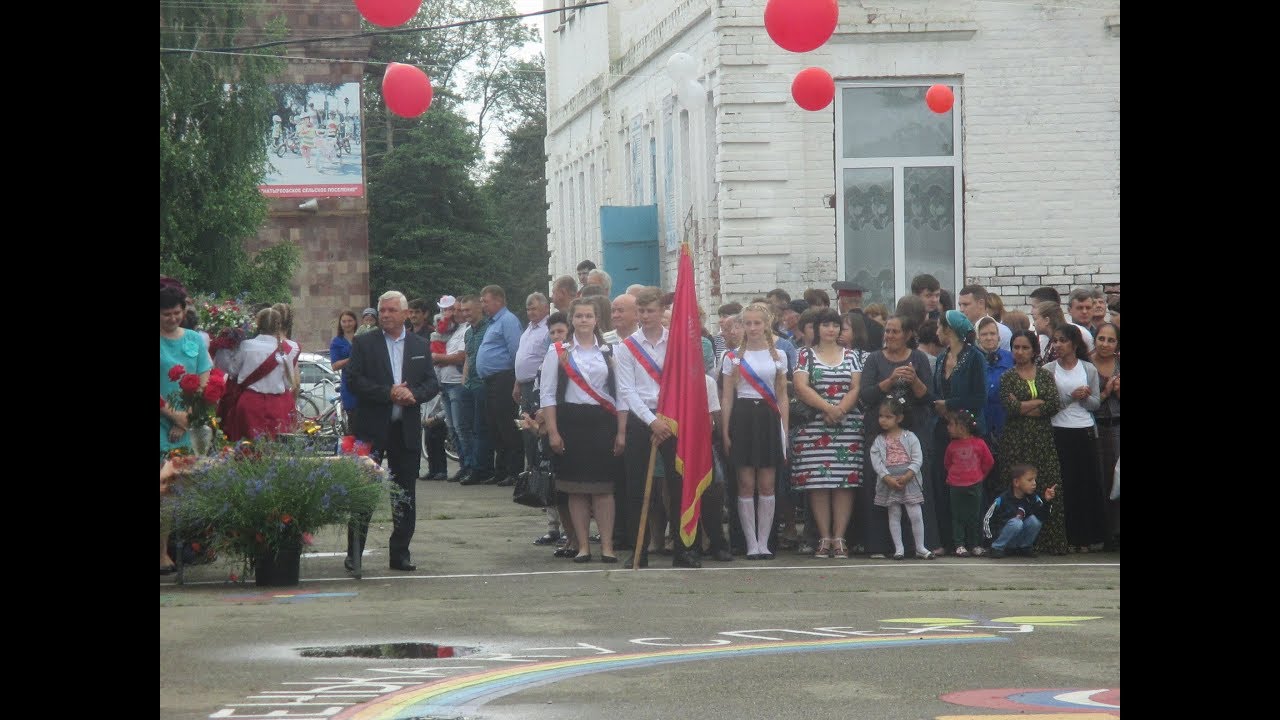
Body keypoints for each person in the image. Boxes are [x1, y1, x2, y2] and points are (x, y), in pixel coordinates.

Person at [345, 290, 440, 573]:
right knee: (364, 493)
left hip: (405, 429)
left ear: (405, 313)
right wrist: (388, 393)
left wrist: (413, 395)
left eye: (390, 310)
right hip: (371, 428)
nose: (384, 315)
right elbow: (353, 380)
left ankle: (400, 552)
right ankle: (354, 553)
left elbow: (431, 383)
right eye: (382, 310)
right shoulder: (364, 343)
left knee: (404, 493)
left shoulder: (420, 344)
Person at [540, 298, 624, 563]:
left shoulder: (611, 351)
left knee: (603, 489)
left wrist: (621, 431)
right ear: (572, 320)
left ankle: (607, 546)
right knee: (575, 489)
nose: (584, 320)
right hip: (571, 423)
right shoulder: (559, 352)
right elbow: (548, 395)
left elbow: (622, 394)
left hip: (603, 422)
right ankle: (583, 546)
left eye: (589, 316)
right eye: (579, 316)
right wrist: (553, 431)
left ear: (597, 320)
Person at [857, 315, 937, 558]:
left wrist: (914, 381)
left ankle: (918, 545)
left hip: (912, 433)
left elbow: (928, 398)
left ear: (907, 334)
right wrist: (890, 381)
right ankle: (880, 545)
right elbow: (866, 396)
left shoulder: (919, 358)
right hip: (880, 433)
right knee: (880, 486)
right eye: (887, 331)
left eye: (894, 331)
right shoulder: (874, 359)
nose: (889, 336)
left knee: (914, 489)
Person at [791, 308, 864, 559]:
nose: (831, 330)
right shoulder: (803, 355)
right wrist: (827, 408)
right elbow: (801, 387)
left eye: (836, 325)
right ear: (817, 328)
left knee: (844, 483)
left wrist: (840, 409)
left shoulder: (853, 355)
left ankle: (840, 537)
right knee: (818, 484)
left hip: (847, 425)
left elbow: (857, 386)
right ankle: (824, 537)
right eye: (826, 325)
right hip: (815, 427)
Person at [721, 302, 789, 560]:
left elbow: (782, 396)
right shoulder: (732, 357)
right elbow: (727, 397)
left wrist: (784, 429)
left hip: (769, 418)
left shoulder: (779, 356)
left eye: (757, 323)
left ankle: (765, 542)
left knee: (767, 484)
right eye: (747, 323)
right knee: (746, 483)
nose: (752, 328)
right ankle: (751, 543)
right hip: (743, 418)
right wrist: (726, 430)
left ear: (766, 324)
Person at [997, 331, 1067, 555]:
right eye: (1015, 347)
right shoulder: (1007, 376)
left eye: (1024, 347)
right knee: (1017, 488)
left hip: (1042, 439)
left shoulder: (1045, 375)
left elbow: (1053, 404)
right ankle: (1013, 542)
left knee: (1046, 485)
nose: (1019, 352)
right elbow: (1012, 408)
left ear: (1034, 350)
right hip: (1016, 440)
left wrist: (1025, 405)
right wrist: (1037, 403)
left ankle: (1048, 541)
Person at [160, 284, 212, 574]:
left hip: (190, 424)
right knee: (163, 489)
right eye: (166, 314)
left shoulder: (193, 338)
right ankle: (161, 552)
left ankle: (187, 548)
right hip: (163, 421)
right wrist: (173, 416)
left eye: (176, 313)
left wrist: (188, 419)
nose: (172, 318)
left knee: (183, 488)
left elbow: (205, 382)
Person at [928, 310, 988, 555]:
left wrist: (950, 405)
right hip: (943, 428)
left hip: (968, 430)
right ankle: (951, 540)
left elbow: (979, 396)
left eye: (939, 327)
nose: (936, 332)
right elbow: (936, 391)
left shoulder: (975, 357)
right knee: (945, 483)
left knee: (970, 486)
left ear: (949, 330)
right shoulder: (942, 358)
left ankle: (974, 540)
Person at [1043, 324, 1105, 553]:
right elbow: (1050, 404)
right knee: (1065, 484)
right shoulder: (1049, 370)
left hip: (1084, 429)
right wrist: (1071, 396)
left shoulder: (1088, 369)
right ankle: (1066, 536)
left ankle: (1087, 537)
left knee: (1086, 484)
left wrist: (1085, 397)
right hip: (1059, 430)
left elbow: (1096, 403)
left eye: (1062, 341)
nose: (1058, 345)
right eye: (1055, 341)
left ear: (1074, 344)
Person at [870, 399, 934, 560]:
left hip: (909, 480)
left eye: (888, 416)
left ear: (899, 418)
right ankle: (899, 549)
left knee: (915, 514)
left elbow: (918, 458)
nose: (883, 420)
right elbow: (876, 461)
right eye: (881, 416)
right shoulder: (879, 440)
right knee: (894, 514)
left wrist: (908, 474)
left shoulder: (910, 436)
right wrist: (886, 477)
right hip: (889, 482)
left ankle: (920, 547)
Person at [227, 307, 300, 442]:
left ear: (258, 323)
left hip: (250, 404)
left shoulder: (246, 345)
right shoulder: (285, 350)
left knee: (247, 449)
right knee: (276, 450)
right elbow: (288, 383)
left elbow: (232, 371)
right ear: (279, 325)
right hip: (277, 405)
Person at [477, 285, 525, 487]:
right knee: (494, 426)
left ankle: (514, 471)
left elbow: (516, 351)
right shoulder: (492, 322)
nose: (482, 305)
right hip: (491, 381)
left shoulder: (508, 321)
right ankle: (501, 470)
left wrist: (517, 380)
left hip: (504, 379)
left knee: (507, 426)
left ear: (498, 300)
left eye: (485, 301)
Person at [943, 409, 995, 557]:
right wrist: (956, 476)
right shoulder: (952, 446)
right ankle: (959, 545)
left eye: (951, 424)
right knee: (957, 516)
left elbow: (989, 462)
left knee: (974, 516)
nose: (948, 427)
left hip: (975, 485)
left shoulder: (979, 443)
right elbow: (947, 464)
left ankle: (975, 544)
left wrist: (979, 476)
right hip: (956, 486)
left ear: (962, 427)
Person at [458, 295, 495, 485]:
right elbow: (468, 357)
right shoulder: (468, 332)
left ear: (479, 309)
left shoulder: (489, 328)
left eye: (468, 310)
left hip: (483, 384)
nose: (465, 314)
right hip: (469, 384)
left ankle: (482, 469)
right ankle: (472, 465)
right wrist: (464, 380)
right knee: (468, 428)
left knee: (481, 428)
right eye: (463, 311)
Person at [409, 299, 448, 481]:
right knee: (415, 432)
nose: (413, 315)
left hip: (431, 383)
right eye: (411, 312)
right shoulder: (407, 335)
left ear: (425, 314)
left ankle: (439, 468)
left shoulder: (433, 333)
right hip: (412, 385)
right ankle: (415, 469)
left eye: (417, 312)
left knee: (435, 429)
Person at [982, 464, 1057, 558]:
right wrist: (990, 541)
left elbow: (1043, 517)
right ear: (1016, 482)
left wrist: (1046, 501)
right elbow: (987, 519)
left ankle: (1024, 547)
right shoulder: (1002, 499)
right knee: (1016, 523)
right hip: (1002, 537)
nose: (1034, 483)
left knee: (1035, 520)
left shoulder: (1033, 498)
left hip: (1017, 540)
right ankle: (997, 548)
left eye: (1034, 480)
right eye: (1030, 480)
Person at [1091, 322, 1120, 551]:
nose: (1105, 344)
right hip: (1095, 428)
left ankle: (1116, 532)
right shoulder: (1086, 365)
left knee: (1117, 482)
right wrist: (1105, 393)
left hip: (1117, 428)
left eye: (1111, 340)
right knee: (1098, 480)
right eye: (1102, 338)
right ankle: (1100, 532)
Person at [436, 297, 471, 482]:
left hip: (457, 383)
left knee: (461, 428)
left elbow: (459, 357)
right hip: (446, 383)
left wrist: (436, 356)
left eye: (458, 310)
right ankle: (463, 465)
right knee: (452, 428)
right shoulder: (454, 330)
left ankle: (470, 466)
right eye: (454, 310)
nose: (455, 313)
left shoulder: (467, 330)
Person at [978, 316, 1014, 444]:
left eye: (992, 333)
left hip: (1005, 420)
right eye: (984, 334)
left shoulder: (1010, 358)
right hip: (981, 421)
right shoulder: (972, 359)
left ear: (999, 336)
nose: (989, 338)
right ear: (978, 337)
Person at [957, 284, 1011, 352]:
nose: (961, 309)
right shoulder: (960, 333)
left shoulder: (1003, 332)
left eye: (966, 304)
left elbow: (1006, 359)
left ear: (981, 303)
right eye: (960, 305)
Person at [329, 310, 360, 429]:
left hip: (366, 382)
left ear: (355, 322)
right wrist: (351, 359)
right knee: (353, 423)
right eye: (344, 321)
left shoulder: (362, 338)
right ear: (340, 323)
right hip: (349, 384)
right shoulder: (337, 342)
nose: (347, 324)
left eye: (350, 321)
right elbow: (335, 365)